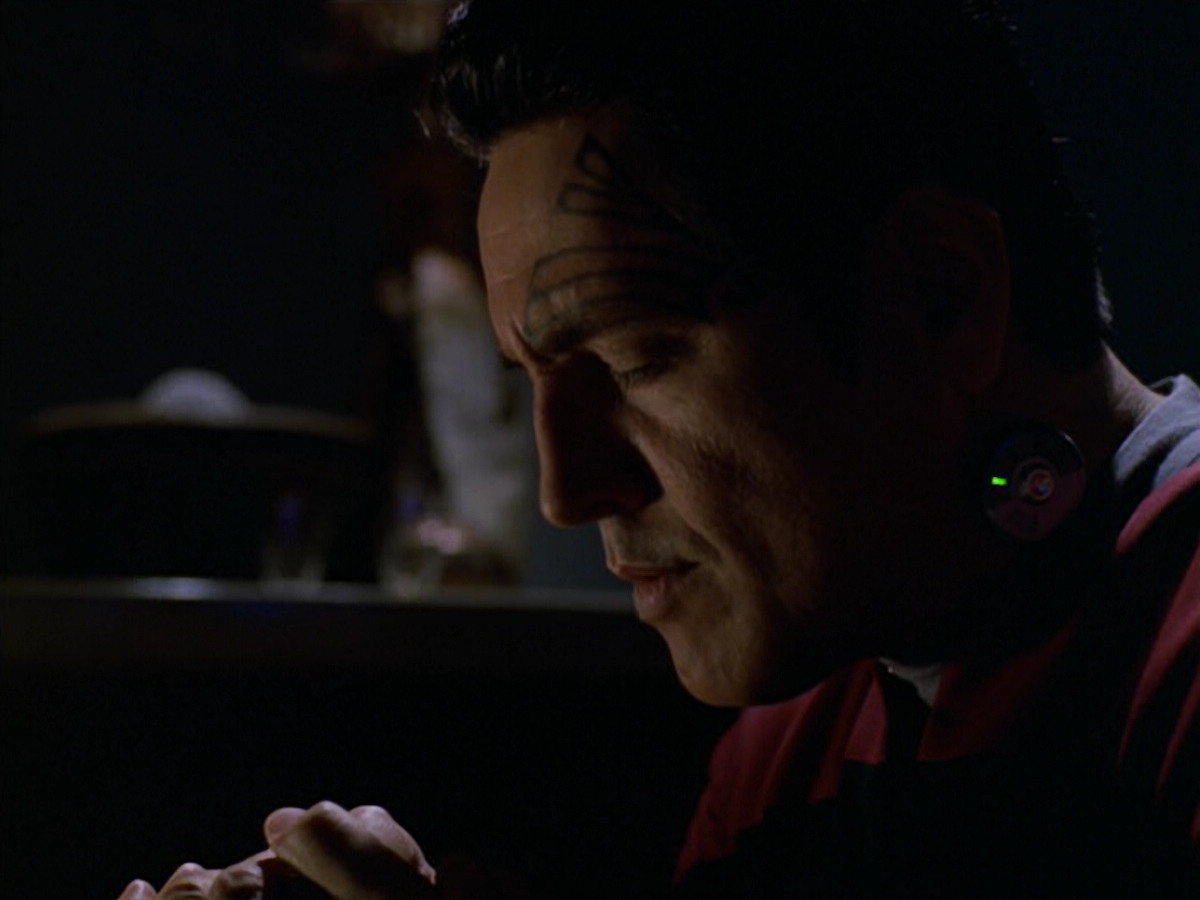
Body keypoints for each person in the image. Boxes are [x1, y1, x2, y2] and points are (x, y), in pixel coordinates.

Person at [120, 1, 1199, 897]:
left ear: (939, 294)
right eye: (528, 379)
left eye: (634, 361)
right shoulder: (790, 745)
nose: (568, 490)